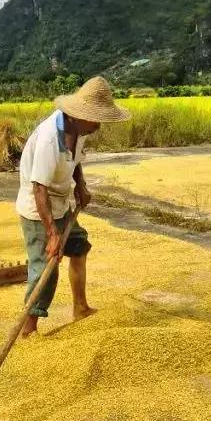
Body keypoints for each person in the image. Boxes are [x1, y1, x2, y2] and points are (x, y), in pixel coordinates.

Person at [16, 76, 130, 337]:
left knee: (78, 247)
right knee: (46, 266)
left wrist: (81, 185)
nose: (99, 125)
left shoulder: (79, 131)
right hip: (38, 210)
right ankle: (28, 329)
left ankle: (80, 307)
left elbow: (75, 160)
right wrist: (53, 233)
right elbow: (38, 188)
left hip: (60, 203)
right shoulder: (48, 138)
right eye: (95, 119)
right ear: (79, 115)